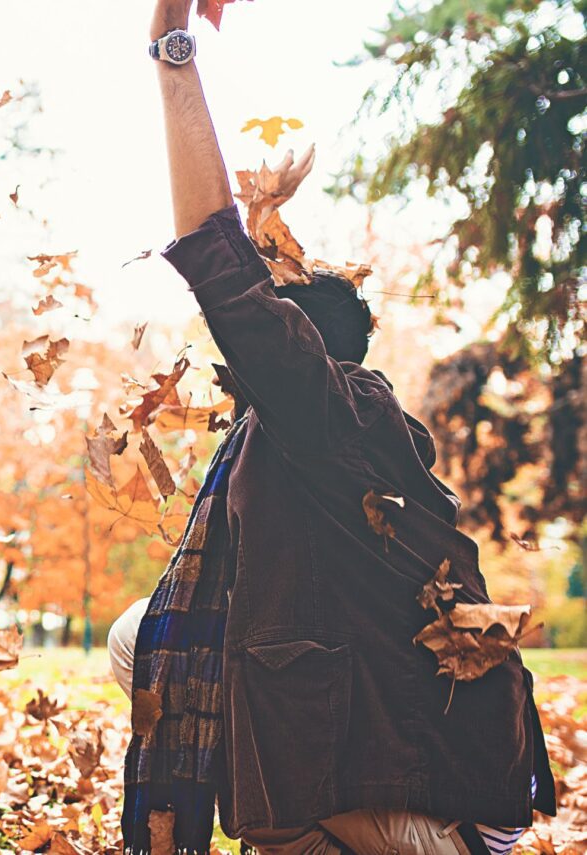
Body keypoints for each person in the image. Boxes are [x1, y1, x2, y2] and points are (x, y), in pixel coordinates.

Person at [107, 2, 557, 853]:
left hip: (419, 806)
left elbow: (217, 255)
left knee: (176, 660)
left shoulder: (322, 410)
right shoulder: (346, 441)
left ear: (294, 345)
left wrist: (174, 59)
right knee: (147, 632)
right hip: (439, 778)